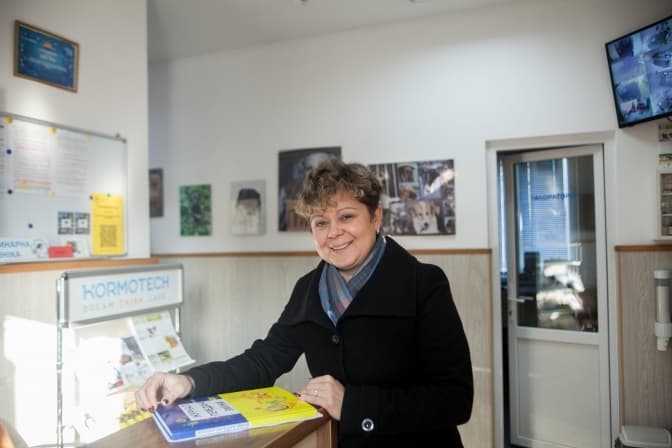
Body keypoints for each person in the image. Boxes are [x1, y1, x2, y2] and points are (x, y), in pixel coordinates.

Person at [135, 159, 474, 447]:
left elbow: (456, 399)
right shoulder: (309, 289)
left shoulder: (423, 284)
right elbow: (262, 361)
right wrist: (189, 382)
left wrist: (353, 405)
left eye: (347, 217)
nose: (334, 232)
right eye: (321, 223)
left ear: (375, 217)